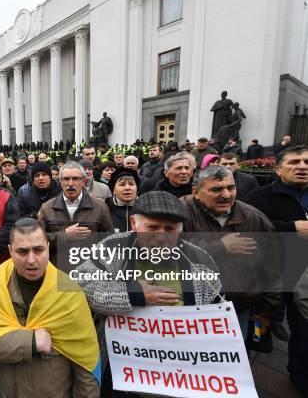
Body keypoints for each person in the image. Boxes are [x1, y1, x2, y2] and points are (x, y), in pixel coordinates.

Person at [75, 191, 222, 394]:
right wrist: (133, 293)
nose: (161, 236)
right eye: (152, 227)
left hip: (180, 373)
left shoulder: (199, 260)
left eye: (170, 228)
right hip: (120, 368)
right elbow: (81, 287)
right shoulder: (111, 248)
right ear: (134, 223)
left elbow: (217, 311)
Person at [0, 218, 100, 397]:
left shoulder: (70, 293)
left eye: (38, 250)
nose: (31, 260)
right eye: (22, 251)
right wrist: (31, 342)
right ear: (10, 251)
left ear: (48, 248)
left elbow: (85, 363)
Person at [182, 166, 280, 340]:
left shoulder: (255, 219)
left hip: (238, 310)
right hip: (190, 309)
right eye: (216, 189)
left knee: (235, 361)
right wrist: (220, 247)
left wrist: (266, 312)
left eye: (231, 187)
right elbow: (167, 254)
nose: (226, 195)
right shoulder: (180, 212)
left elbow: (272, 271)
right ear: (196, 192)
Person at [245, 145, 308, 395]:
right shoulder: (261, 197)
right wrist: (290, 228)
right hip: (271, 271)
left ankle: (300, 374)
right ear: (278, 169)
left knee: (303, 329)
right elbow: (248, 230)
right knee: (259, 324)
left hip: (304, 276)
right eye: (294, 162)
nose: (302, 166)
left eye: (306, 161)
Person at [37, 161, 113, 270]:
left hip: (89, 274)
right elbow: (37, 240)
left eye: (75, 178)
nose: (70, 183)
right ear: (60, 181)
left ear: (83, 181)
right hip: (58, 273)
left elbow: (109, 240)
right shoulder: (47, 208)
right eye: (66, 179)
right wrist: (64, 236)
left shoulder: (100, 207)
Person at [105, 168, 139, 232]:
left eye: (131, 184)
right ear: (114, 190)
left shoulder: (146, 208)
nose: (127, 188)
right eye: (122, 184)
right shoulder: (105, 208)